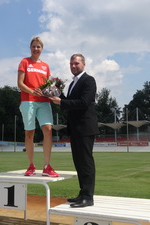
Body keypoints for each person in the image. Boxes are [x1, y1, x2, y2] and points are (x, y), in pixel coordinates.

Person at [50, 54, 99, 207]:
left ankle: (88, 197)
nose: (73, 66)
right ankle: (82, 193)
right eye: (71, 64)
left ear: (84, 64)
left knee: (85, 162)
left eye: (76, 63)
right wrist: (56, 92)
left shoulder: (88, 80)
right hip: (76, 128)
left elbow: (84, 103)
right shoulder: (72, 84)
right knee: (78, 162)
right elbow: (69, 101)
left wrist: (62, 102)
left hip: (85, 127)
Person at [17, 36, 59, 177]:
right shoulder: (25, 62)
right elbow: (20, 83)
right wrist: (32, 91)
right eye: (34, 46)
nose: (36, 49)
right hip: (28, 100)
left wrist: (54, 90)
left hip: (44, 102)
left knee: (48, 129)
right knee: (30, 133)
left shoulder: (45, 66)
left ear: (42, 49)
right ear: (30, 48)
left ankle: (47, 166)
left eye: (38, 47)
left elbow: (48, 84)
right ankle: (31, 166)